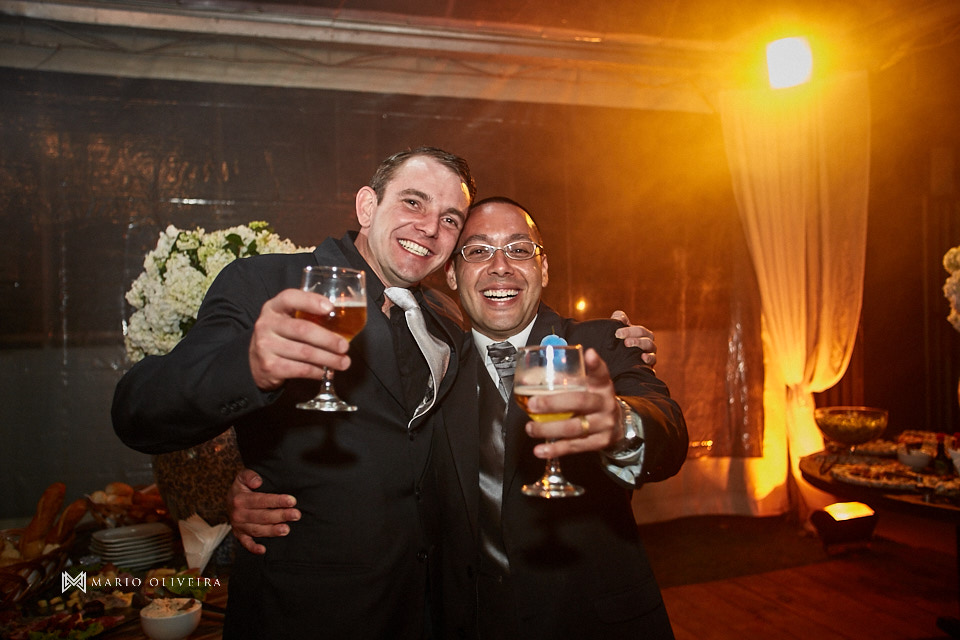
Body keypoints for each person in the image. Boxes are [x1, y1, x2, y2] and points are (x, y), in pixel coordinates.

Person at [229, 197, 687, 639]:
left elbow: (667, 428)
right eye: (478, 251)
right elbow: (371, 456)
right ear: (451, 273)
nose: (500, 266)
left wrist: (621, 424)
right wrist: (260, 490)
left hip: (594, 625)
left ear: (543, 268)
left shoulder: (602, 343)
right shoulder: (431, 371)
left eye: (519, 250)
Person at [112, 146, 477, 639]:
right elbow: (138, 412)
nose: (430, 227)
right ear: (367, 207)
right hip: (305, 611)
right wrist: (248, 366)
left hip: (426, 612)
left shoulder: (446, 318)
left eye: (450, 219)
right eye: (413, 202)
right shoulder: (266, 282)